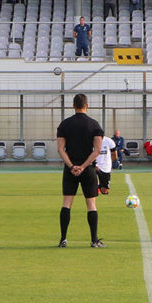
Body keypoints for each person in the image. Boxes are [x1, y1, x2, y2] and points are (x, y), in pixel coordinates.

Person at [56, 93, 105, 248]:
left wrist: (71, 166)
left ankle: (63, 239)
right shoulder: (94, 125)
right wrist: (83, 166)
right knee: (91, 204)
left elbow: (60, 149)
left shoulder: (64, 124)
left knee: (66, 203)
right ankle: (94, 240)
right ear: (87, 105)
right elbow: (97, 150)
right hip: (88, 169)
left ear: (73, 106)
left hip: (70, 170)